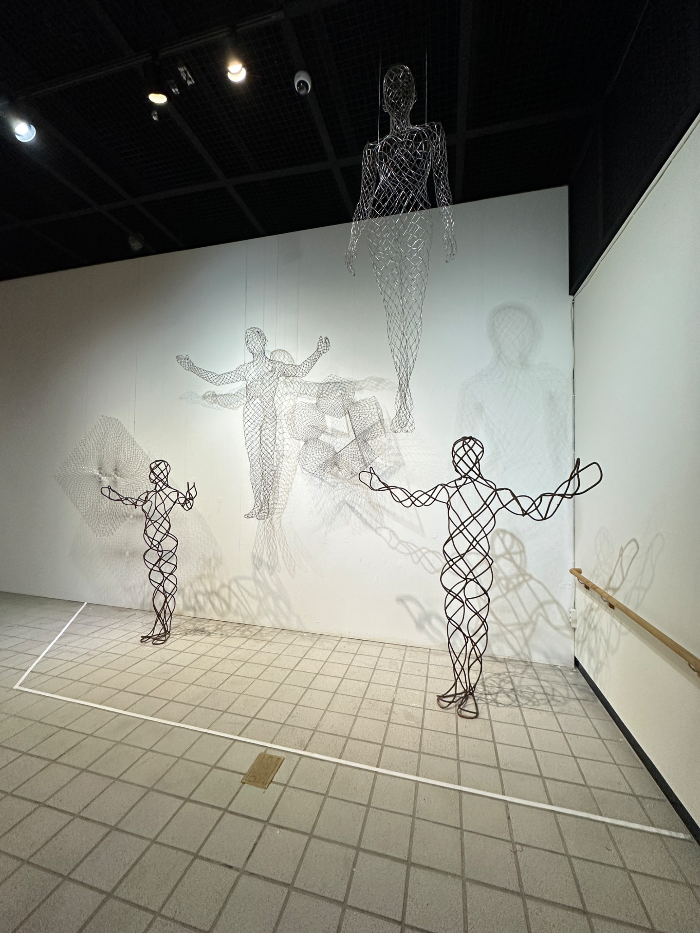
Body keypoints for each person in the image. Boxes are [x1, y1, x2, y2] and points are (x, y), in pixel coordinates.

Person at [360, 436, 602, 717]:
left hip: (471, 570)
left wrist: (569, 488)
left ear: (465, 460)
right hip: (459, 568)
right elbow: (536, 508)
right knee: (458, 625)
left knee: (471, 629)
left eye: (460, 457)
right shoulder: (480, 492)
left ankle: (469, 690)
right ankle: (459, 685)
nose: (458, 462)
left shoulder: (474, 491)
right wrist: (380, 484)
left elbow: (536, 509)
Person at [346, 63, 456, 432]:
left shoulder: (431, 134)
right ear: (385, 101)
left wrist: (449, 227)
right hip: (384, 227)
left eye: (401, 89)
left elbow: (441, 184)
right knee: (398, 313)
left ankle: (405, 397)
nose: (396, 96)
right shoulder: (374, 150)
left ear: (412, 97)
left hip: (414, 224)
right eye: (391, 90)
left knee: (411, 311)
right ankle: (404, 399)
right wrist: (352, 243)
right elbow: (364, 200)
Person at [177, 328, 330, 519]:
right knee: (254, 463)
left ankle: (265, 504)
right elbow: (218, 379)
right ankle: (257, 503)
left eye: (253, 339)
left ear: (263, 340)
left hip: (268, 417)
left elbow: (300, 370)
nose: (250, 343)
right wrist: (192, 367)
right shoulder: (246, 369)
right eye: (247, 340)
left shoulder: (275, 367)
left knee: (267, 461)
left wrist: (318, 352)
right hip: (251, 417)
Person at [101, 460, 196, 644]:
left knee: (167, 587)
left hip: (166, 544)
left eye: (153, 472)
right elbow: (130, 501)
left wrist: (190, 497)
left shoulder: (170, 494)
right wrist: (114, 495)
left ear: (158, 475)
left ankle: (165, 629)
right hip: (154, 546)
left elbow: (186, 504)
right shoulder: (149, 496)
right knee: (159, 587)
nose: (151, 475)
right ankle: (158, 628)